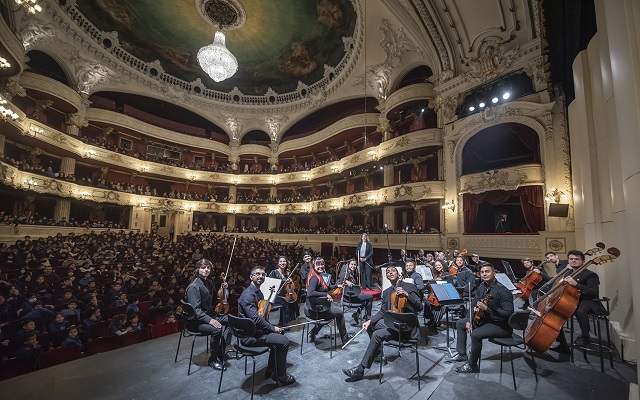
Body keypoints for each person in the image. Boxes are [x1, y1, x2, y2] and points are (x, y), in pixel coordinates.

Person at [342, 266, 423, 380]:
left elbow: (420, 307)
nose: (390, 273)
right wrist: (369, 321)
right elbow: (382, 312)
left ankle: (360, 370)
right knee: (371, 325)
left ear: (399, 274)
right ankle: (379, 355)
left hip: (407, 329)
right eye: (388, 272)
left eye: (393, 271)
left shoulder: (410, 287)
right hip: (394, 325)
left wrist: (407, 295)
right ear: (386, 277)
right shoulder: (386, 292)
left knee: (377, 334)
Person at [447, 263, 514, 373]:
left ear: (494, 273)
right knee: (460, 323)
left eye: (487, 271)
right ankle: (462, 354)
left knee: (476, 335)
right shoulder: (482, 286)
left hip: (501, 325)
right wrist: (469, 320)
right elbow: (473, 304)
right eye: (482, 272)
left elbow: (508, 313)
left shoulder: (503, 291)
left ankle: (472, 365)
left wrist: (487, 309)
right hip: (485, 320)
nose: (484, 274)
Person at [237, 265, 295, 385]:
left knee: (280, 333)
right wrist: (272, 328)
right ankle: (280, 375)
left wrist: (273, 328)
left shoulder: (258, 293)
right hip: (250, 336)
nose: (261, 276)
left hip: (256, 331)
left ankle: (271, 368)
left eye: (263, 274)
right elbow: (256, 319)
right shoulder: (248, 295)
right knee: (284, 342)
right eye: (257, 274)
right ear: (251, 276)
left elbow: (261, 318)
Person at [551, 250, 606, 351]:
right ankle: (562, 344)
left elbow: (593, 292)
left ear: (583, 261)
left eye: (577, 259)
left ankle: (586, 337)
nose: (573, 261)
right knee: (555, 312)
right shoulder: (568, 273)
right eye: (571, 259)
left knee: (580, 311)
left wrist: (576, 284)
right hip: (572, 299)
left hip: (588, 300)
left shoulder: (591, 275)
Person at [185, 258, 229, 371]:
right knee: (217, 329)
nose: (206, 270)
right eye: (203, 267)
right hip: (196, 321)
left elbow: (214, 300)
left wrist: (222, 289)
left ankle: (221, 352)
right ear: (197, 269)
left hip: (209, 315)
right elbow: (196, 311)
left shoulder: (209, 282)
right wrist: (211, 320)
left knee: (231, 321)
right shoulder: (193, 287)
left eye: (208, 267)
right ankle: (213, 359)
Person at [305, 257, 353, 344]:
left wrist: (336, 286)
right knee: (339, 313)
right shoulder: (315, 278)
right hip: (316, 311)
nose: (321, 266)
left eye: (322, 264)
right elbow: (310, 293)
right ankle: (344, 338)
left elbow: (325, 288)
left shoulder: (316, 275)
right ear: (314, 266)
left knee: (329, 313)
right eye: (318, 264)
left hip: (314, 308)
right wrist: (325, 294)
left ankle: (313, 332)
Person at [338, 259, 373, 323]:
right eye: (352, 264)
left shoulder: (353, 273)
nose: (353, 266)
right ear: (348, 265)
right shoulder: (346, 272)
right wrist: (346, 281)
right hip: (349, 297)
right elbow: (340, 280)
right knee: (370, 297)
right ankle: (367, 317)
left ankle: (358, 314)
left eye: (355, 265)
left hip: (353, 295)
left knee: (366, 300)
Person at [268, 256, 297, 326]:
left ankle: (284, 322)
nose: (282, 263)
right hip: (275, 296)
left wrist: (290, 280)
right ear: (278, 263)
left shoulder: (287, 273)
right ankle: (284, 323)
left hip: (284, 294)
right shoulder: (274, 272)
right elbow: (269, 284)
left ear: (286, 263)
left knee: (293, 301)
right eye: (280, 261)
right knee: (286, 302)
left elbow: (290, 286)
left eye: (284, 261)